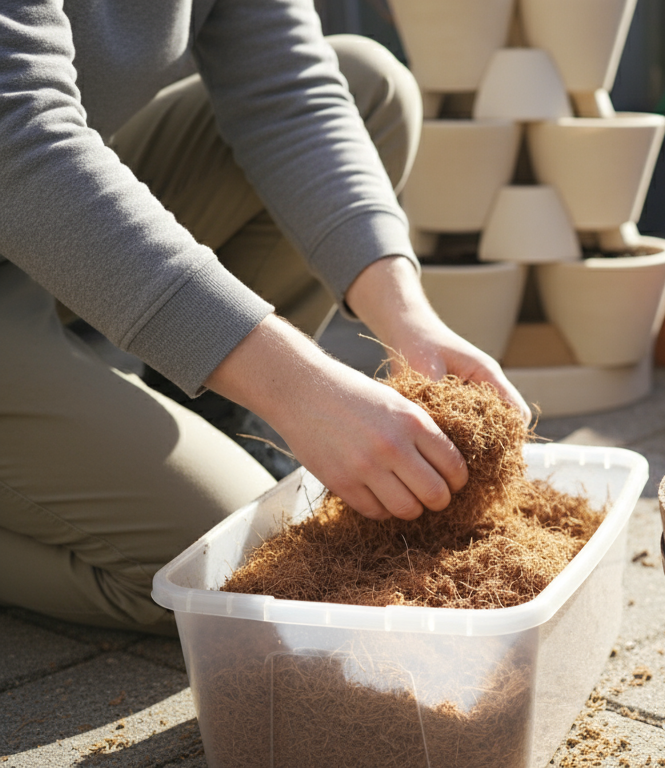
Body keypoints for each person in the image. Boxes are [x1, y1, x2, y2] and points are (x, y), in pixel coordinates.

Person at [0, 0, 529, 636]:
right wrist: (298, 387)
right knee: (214, 572)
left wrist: (409, 321)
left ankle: (204, 406)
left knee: (368, 86)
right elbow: (16, 135)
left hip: (51, 223)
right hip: (23, 172)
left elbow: (288, 92)